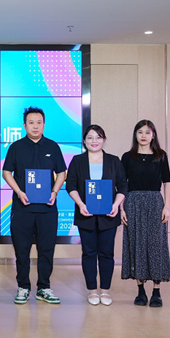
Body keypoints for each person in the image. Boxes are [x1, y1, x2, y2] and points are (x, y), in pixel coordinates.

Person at [2, 106, 66, 305]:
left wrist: (54, 192)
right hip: (23, 208)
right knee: (22, 250)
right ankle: (23, 287)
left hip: (47, 208)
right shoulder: (16, 147)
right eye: (31, 123)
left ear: (44, 124)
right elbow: (6, 173)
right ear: (24, 125)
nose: (35, 126)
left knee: (47, 249)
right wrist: (19, 192)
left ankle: (44, 287)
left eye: (39, 122)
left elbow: (62, 172)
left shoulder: (52, 147)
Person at [66, 125, 127, 306]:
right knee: (89, 253)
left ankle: (105, 291)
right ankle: (92, 291)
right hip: (85, 214)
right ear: (84, 141)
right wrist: (80, 204)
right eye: (90, 137)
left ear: (104, 140)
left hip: (109, 215)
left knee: (107, 254)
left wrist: (116, 205)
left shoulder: (114, 161)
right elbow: (71, 186)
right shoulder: (77, 161)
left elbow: (123, 186)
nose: (94, 141)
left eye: (98, 137)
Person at [121, 120, 170, 307]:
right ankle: (140, 291)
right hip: (133, 203)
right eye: (140, 132)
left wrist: (167, 206)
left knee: (156, 245)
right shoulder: (127, 157)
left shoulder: (161, 156)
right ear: (135, 135)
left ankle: (156, 291)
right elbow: (122, 184)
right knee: (137, 244)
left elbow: (167, 182)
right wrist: (121, 208)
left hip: (155, 203)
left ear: (153, 135)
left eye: (147, 132)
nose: (143, 136)